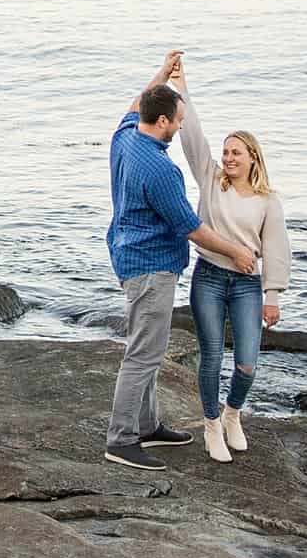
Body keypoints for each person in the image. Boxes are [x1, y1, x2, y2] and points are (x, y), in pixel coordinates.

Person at [105, 50, 256, 471]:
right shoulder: (160, 170)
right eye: (179, 121)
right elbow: (191, 227)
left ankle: (148, 425)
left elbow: (138, 102)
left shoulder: (127, 136)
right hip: (150, 266)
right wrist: (237, 251)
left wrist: (164, 76)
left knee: (147, 347)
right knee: (143, 355)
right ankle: (121, 439)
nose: (182, 126)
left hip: (128, 254)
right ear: (165, 122)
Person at [171, 62, 291, 463]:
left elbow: (275, 248)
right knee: (211, 357)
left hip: (245, 284)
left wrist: (271, 295)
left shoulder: (267, 200)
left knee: (247, 363)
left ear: (253, 158)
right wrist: (181, 85)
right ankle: (210, 426)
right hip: (208, 277)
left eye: (236, 152)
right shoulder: (210, 179)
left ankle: (233, 414)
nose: (228, 157)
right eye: (226, 152)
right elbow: (192, 136)